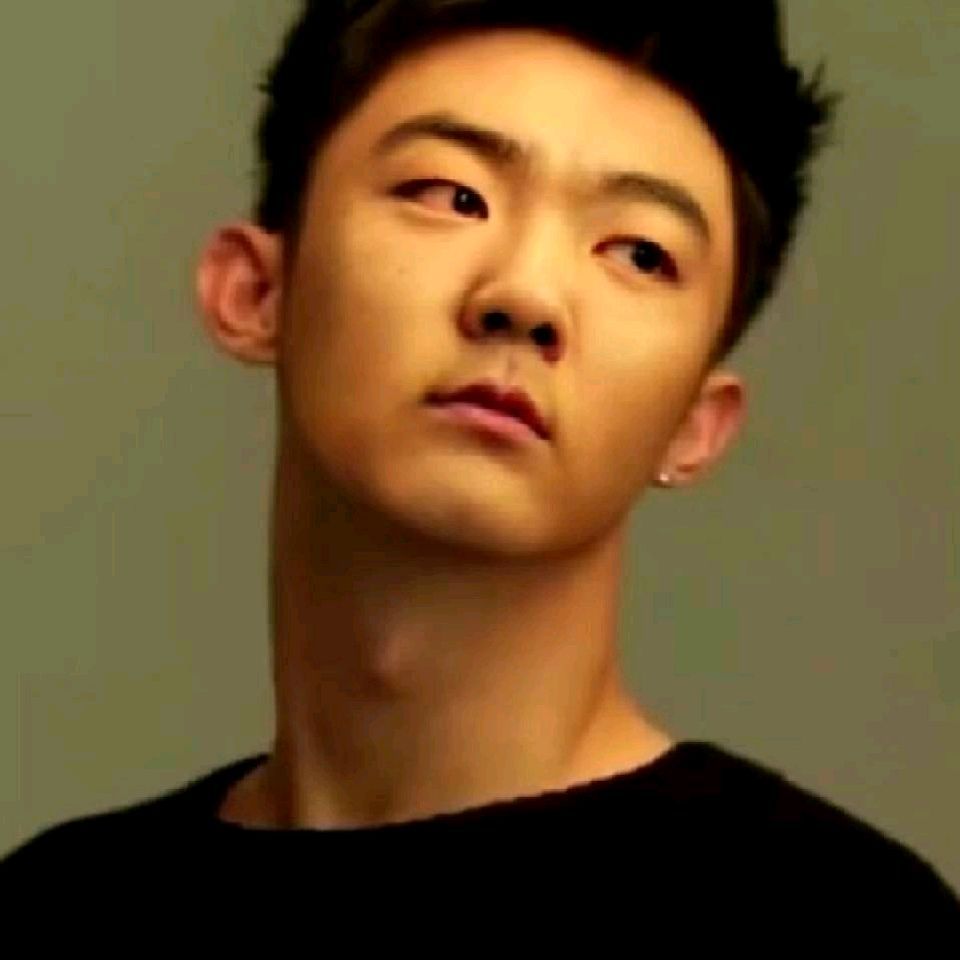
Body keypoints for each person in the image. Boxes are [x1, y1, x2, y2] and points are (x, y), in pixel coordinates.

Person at [4, 0, 958, 934]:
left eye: (639, 253)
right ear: (256, 292)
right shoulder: (55, 902)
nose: (527, 295)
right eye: (450, 196)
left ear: (696, 427)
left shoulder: (847, 926)